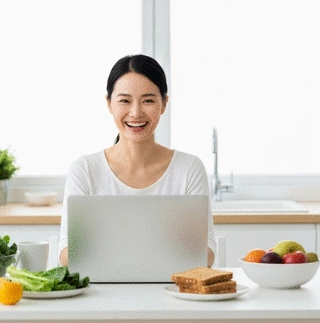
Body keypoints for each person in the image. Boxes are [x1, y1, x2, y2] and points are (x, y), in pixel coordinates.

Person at [59, 53, 216, 268]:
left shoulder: (188, 169)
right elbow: (69, 254)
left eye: (148, 100)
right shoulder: (85, 170)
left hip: (172, 293)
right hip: (102, 295)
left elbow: (205, 254)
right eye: (124, 100)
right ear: (109, 104)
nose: (136, 113)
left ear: (164, 104)